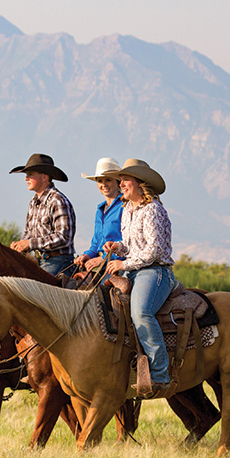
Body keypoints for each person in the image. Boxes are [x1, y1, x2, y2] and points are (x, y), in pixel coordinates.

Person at [101, 159, 176, 398]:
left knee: (141, 313)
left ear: (139, 183)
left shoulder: (152, 209)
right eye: (121, 180)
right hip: (135, 269)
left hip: (155, 271)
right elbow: (134, 247)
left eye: (125, 179)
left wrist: (123, 263)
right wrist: (118, 247)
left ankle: (160, 373)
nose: (120, 184)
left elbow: (153, 250)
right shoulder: (128, 211)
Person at [8, 153, 77, 277]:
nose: (26, 178)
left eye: (30, 174)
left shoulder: (57, 201)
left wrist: (29, 244)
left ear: (44, 177)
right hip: (39, 261)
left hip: (60, 261)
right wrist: (20, 244)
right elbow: (29, 232)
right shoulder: (34, 202)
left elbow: (64, 237)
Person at [72, 157, 125, 274]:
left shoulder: (125, 206)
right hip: (100, 263)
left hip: (117, 264)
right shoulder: (100, 210)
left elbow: (127, 242)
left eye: (108, 180)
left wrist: (102, 259)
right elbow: (96, 243)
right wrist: (87, 255)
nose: (104, 184)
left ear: (117, 182)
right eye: (100, 181)